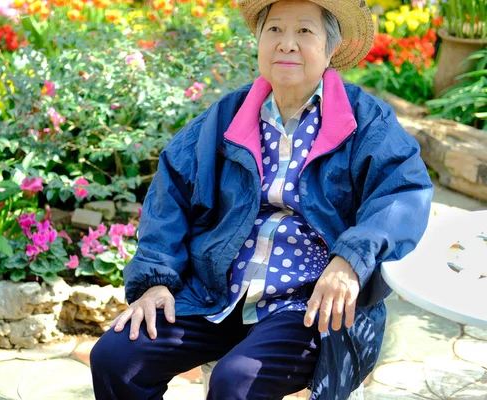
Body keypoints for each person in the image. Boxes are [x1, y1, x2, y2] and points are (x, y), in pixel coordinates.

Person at [90, 0, 433, 398]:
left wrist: (350, 260)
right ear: (259, 40)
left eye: (304, 32)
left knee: (235, 382)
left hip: (306, 305)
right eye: (274, 30)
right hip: (216, 293)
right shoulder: (226, 116)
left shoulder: (365, 120)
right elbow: (171, 194)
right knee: (116, 358)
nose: (287, 44)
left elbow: (403, 192)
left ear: (331, 48)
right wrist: (156, 280)